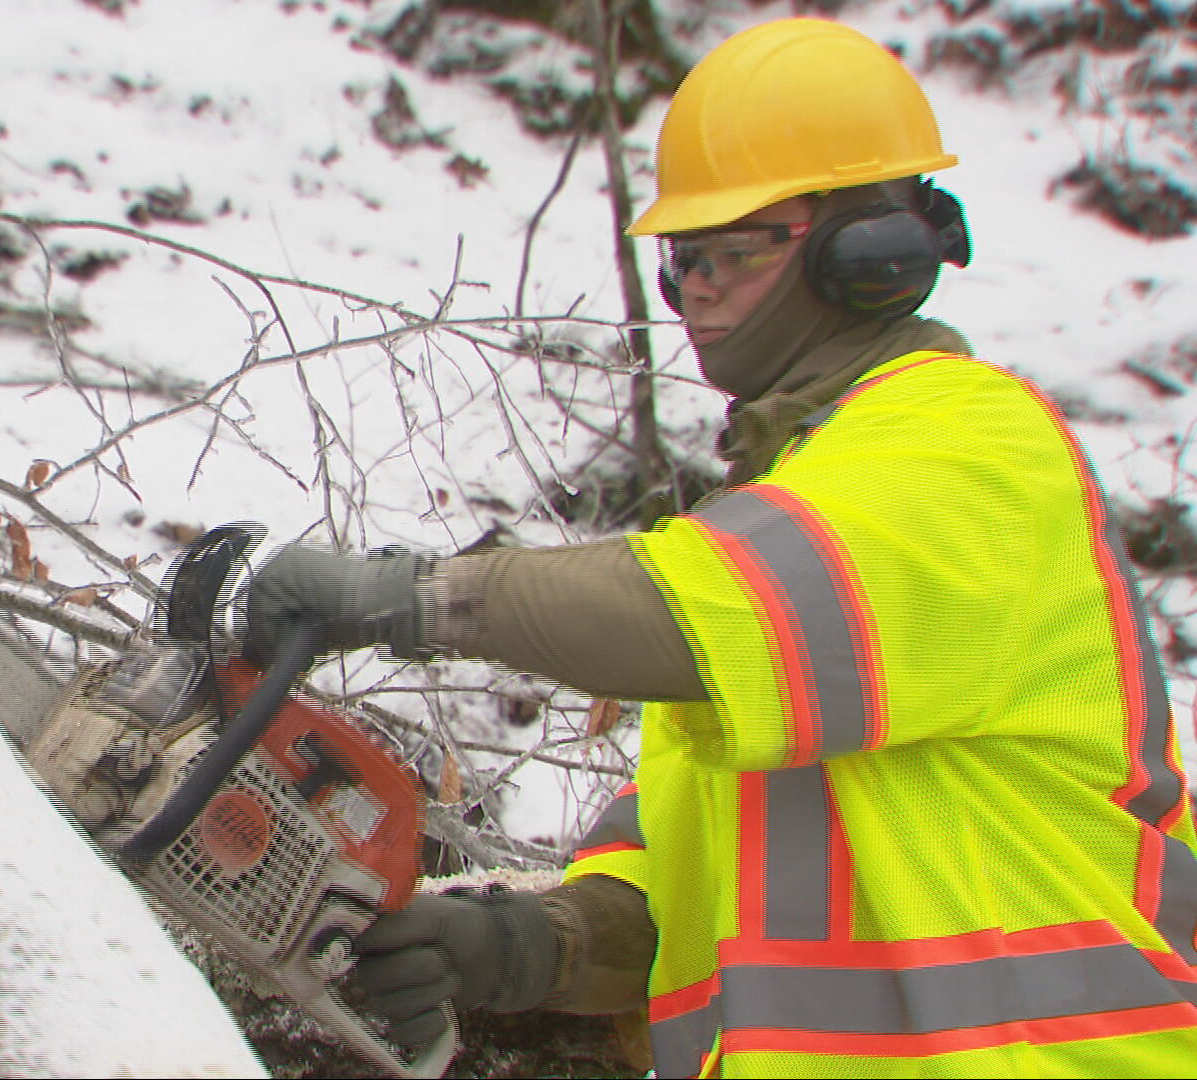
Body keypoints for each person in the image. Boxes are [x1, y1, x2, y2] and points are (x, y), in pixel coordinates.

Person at [239, 17, 1197, 1077]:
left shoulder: (968, 447)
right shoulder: (784, 543)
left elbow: (681, 613)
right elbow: (701, 904)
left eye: (731, 253)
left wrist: (410, 598)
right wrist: (524, 948)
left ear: (869, 257)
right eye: (680, 261)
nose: (694, 289)